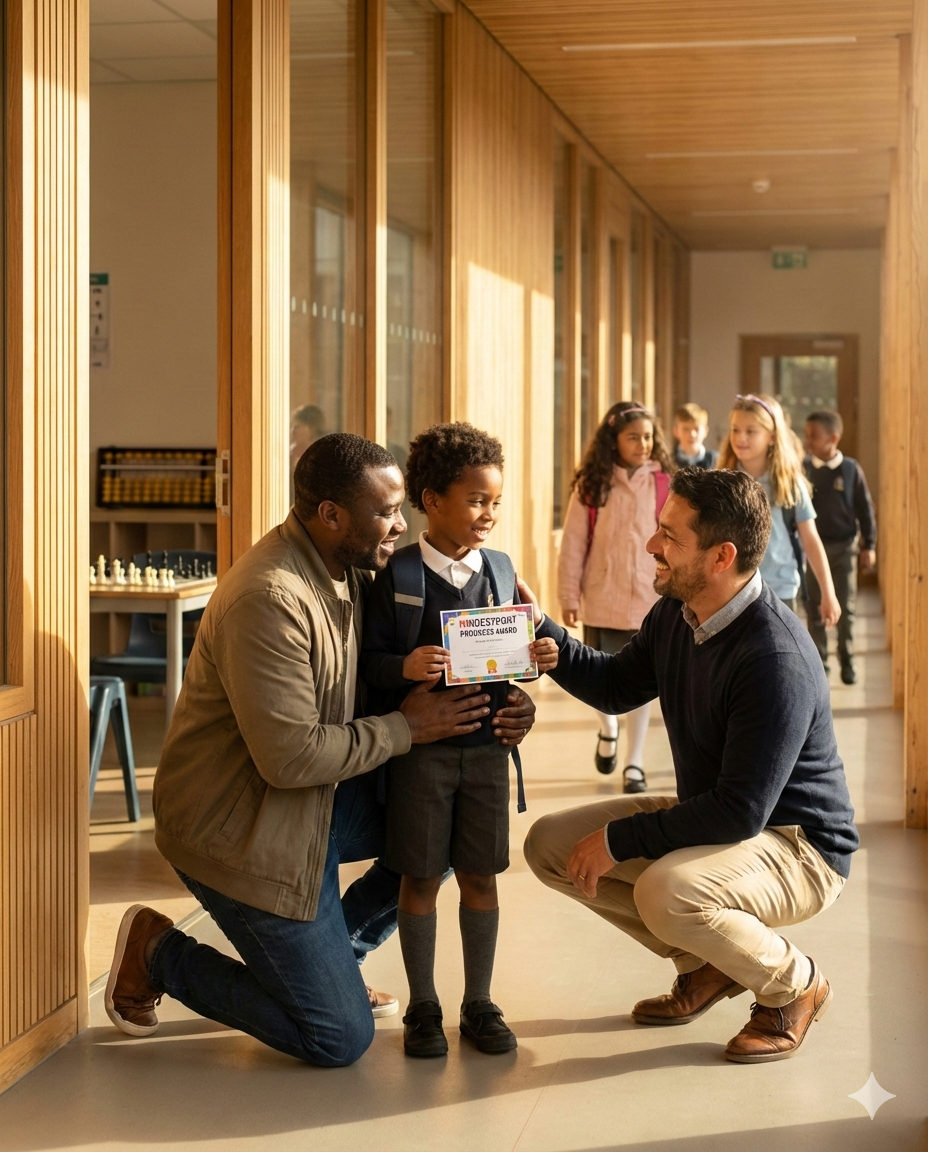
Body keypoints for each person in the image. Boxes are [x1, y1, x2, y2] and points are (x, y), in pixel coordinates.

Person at [103, 432, 538, 1068]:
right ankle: (159, 954)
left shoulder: (354, 568)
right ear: (331, 514)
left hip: (314, 802)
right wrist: (408, 729)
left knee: (446, 826)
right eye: (386, 512)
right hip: (241, 827)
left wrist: (505, 697)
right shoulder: (269, 597)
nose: (400, 524)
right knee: (338, 1038)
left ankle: (336, 957)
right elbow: (290, 758)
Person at [523, 467, 859, 1064]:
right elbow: (616, 685)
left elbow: (740, 810)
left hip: (799, 846)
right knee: (550, 843)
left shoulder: (772, 657)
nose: (652, 546)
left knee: (666, 892)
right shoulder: (681, 615)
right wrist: (541, 632)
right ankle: (707, 965)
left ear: (720, 556)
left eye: (670, 536)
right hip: (720, 818)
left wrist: (619, 839)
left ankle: (793, 986)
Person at [360, 422, 559, 1058]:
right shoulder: (397, 574)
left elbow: (512, 662)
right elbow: (368, 663)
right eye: (477, 500)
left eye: (495, 501)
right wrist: (404, 668)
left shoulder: (503, 572)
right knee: (417, 878)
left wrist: (536, 663)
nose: (488, 514)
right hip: (420, 758)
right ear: (432, 499)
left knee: (480, 874)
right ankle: (423, 1006)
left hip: (489, 757)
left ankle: (479, 1003)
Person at [557, 401, 675, 792]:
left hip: (649, 600)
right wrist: (568, 595)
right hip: (602, 599)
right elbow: (574, 544)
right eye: (633, 437)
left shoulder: (665, 483)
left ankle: (634, 763)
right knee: (601, 680)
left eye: (647, 436)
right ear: (614, 441)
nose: (643, 444)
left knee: (642, 684)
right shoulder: (592, 485)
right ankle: (608, 729)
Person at [718, 393, 841, 627]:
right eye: (735, 430)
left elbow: (810, 538)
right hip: (730, 591)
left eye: (750, 431)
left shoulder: (788, 483)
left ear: (772, 437)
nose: (740, 438)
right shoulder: (722, 481)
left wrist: (828, 592)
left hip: (779, 590)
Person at [803, 410, 877, 685]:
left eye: (813, 436)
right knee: (814, 609)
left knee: (846, 607)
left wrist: (869, 544)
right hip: (814, 551)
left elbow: (865, 509)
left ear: (832, 438)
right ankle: (819, 664)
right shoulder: (804, 469)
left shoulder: (850, 469)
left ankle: (847, 660)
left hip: (845, 549)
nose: (807, 441)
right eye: (806, 435)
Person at [672, 402, 718, 470]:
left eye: (697, 429)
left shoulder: (715, 461)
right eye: (686, 429)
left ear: (705, 431)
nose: (692, 434)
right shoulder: (668, 461)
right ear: (676, 431)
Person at [289, 403, 325, 471]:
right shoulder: (287, 454)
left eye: (298, 426)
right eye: (292, 426)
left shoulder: (321, 456)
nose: (293, 431)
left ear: (312, 429)